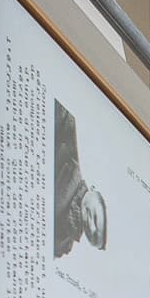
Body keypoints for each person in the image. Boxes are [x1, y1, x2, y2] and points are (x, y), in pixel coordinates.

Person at [53, 100, 107, 257]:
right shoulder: (68, 141)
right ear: (96, 194)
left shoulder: (63, 245)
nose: (91, 225)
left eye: (95, 236)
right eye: (96, 218)